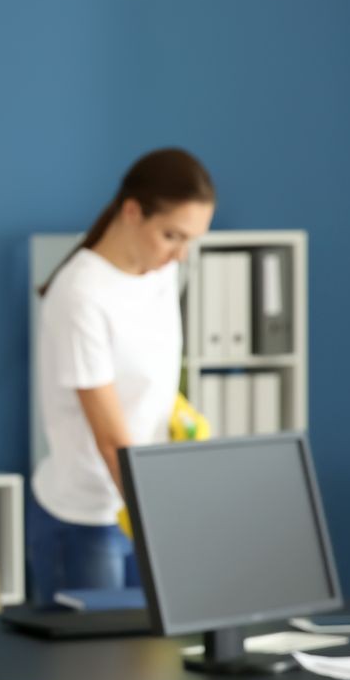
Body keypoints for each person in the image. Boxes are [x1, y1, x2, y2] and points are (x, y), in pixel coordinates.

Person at [30, 147, 215, 601]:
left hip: (143, 502)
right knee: (95, 670)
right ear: (132, 212)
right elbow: (111, 439)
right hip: (88, 520)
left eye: (191, 240)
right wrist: (164, 526)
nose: (180, 255)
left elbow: (149, 376)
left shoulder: (159, 273)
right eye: (172, 235)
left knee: (150, 665)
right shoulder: (81, 295)